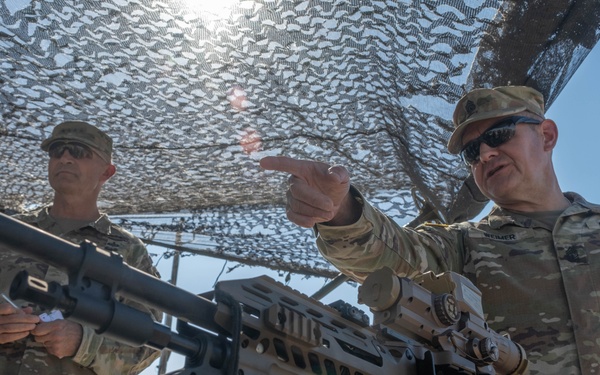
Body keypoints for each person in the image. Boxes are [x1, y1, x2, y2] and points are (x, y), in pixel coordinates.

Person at [260, 86, 600, 375]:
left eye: (499, 134)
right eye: (471, 151)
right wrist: (341, 210)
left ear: (547, 135)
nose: (484, 153)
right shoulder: (464, 243)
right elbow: (394, 254)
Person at [0, 121, 162, 375]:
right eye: (57, 151)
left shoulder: (129, 252)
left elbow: (150, 341)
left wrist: (84, 343)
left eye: (78, 152)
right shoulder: (9, 231)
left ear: (107, 172)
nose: (65, 158)